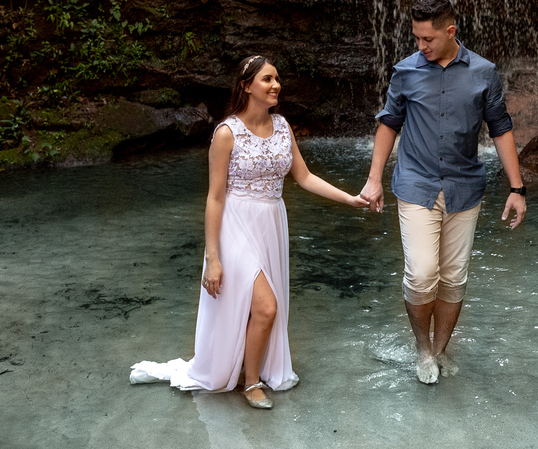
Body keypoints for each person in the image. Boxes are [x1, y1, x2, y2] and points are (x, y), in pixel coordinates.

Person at [131, 55, 368, 409]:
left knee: (258, 308)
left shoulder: (283, 126)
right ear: (246, 86)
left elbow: (304, 177)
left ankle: (246, 368)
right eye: (267, 79)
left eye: (277, 79)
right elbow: (214, 197)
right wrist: (213, 258)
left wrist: (350, 199)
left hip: (271, 223)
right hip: (235, 225)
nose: (276, 85)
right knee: (267, 307)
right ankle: (252, 383)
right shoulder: (227, 133)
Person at [359, 0, 527, 384]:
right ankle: (422, 349)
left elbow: (500, 128)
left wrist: (517, 188)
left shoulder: (484, 72)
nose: (421, 46)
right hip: (416, 184)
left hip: (465, 187)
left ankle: (440, 350)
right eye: (416, 38)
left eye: (428, 39)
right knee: (422, 275)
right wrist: (374, 178)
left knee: (453, 277)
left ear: (450, 32)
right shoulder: (405, 71)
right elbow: (389, 123)